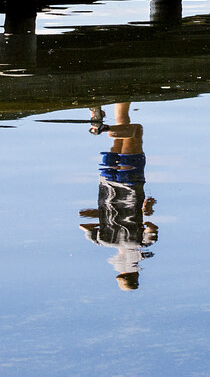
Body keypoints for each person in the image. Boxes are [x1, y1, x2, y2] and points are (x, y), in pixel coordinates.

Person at [79, 103, 158, 290]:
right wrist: (101, 215)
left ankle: (101, 127)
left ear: (136, 272)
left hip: (131, 181)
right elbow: (83, 223)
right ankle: (120, 101)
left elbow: (151, 227)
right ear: (118, 272)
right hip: (107, 185)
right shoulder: (102, 241)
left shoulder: (142, 245)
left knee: (135, 131)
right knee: (122, 130)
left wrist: (146, 211)